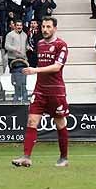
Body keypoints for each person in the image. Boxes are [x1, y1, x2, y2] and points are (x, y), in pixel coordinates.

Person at [12, 17, 70, 168]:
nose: (45, 29)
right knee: (31, 121)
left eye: (48, 27)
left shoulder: (61, 45)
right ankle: (26, 157)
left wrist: (35, 70)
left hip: (56, 91)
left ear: (55, 28)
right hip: (40, 90)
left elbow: (57, 67)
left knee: (60, 124)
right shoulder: (40, 44)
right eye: (43, 26)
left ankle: (64, 158)